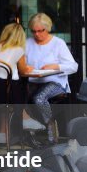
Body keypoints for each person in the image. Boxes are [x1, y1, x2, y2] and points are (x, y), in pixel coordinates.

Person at [19, 13, 78, 143]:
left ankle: (50, 125)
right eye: (34, 31)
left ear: (48, 28)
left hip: (55, 82)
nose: (37, 34)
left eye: (41, 31)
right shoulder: (27, 43)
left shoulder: (58, 43)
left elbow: (73, 67)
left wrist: (56, 66)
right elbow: (21, 63)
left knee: (39, 98)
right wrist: (25, 67)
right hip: (33, 81)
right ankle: (28, 135)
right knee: (18, 97)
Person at [0, 23, 27, 144]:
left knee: (5, 103)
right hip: (7, 91)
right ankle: (25, 117)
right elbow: (23, 71)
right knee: (21, 87)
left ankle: (3, 134)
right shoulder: (18, 49)